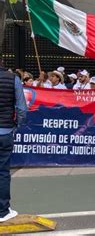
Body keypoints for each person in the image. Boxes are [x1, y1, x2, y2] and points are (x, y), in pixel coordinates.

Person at [0, 59, 27, 222]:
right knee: (2, 172)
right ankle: (2, 211)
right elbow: (22, 108)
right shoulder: (12, 78)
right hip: (4, 131)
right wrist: (16, 126)